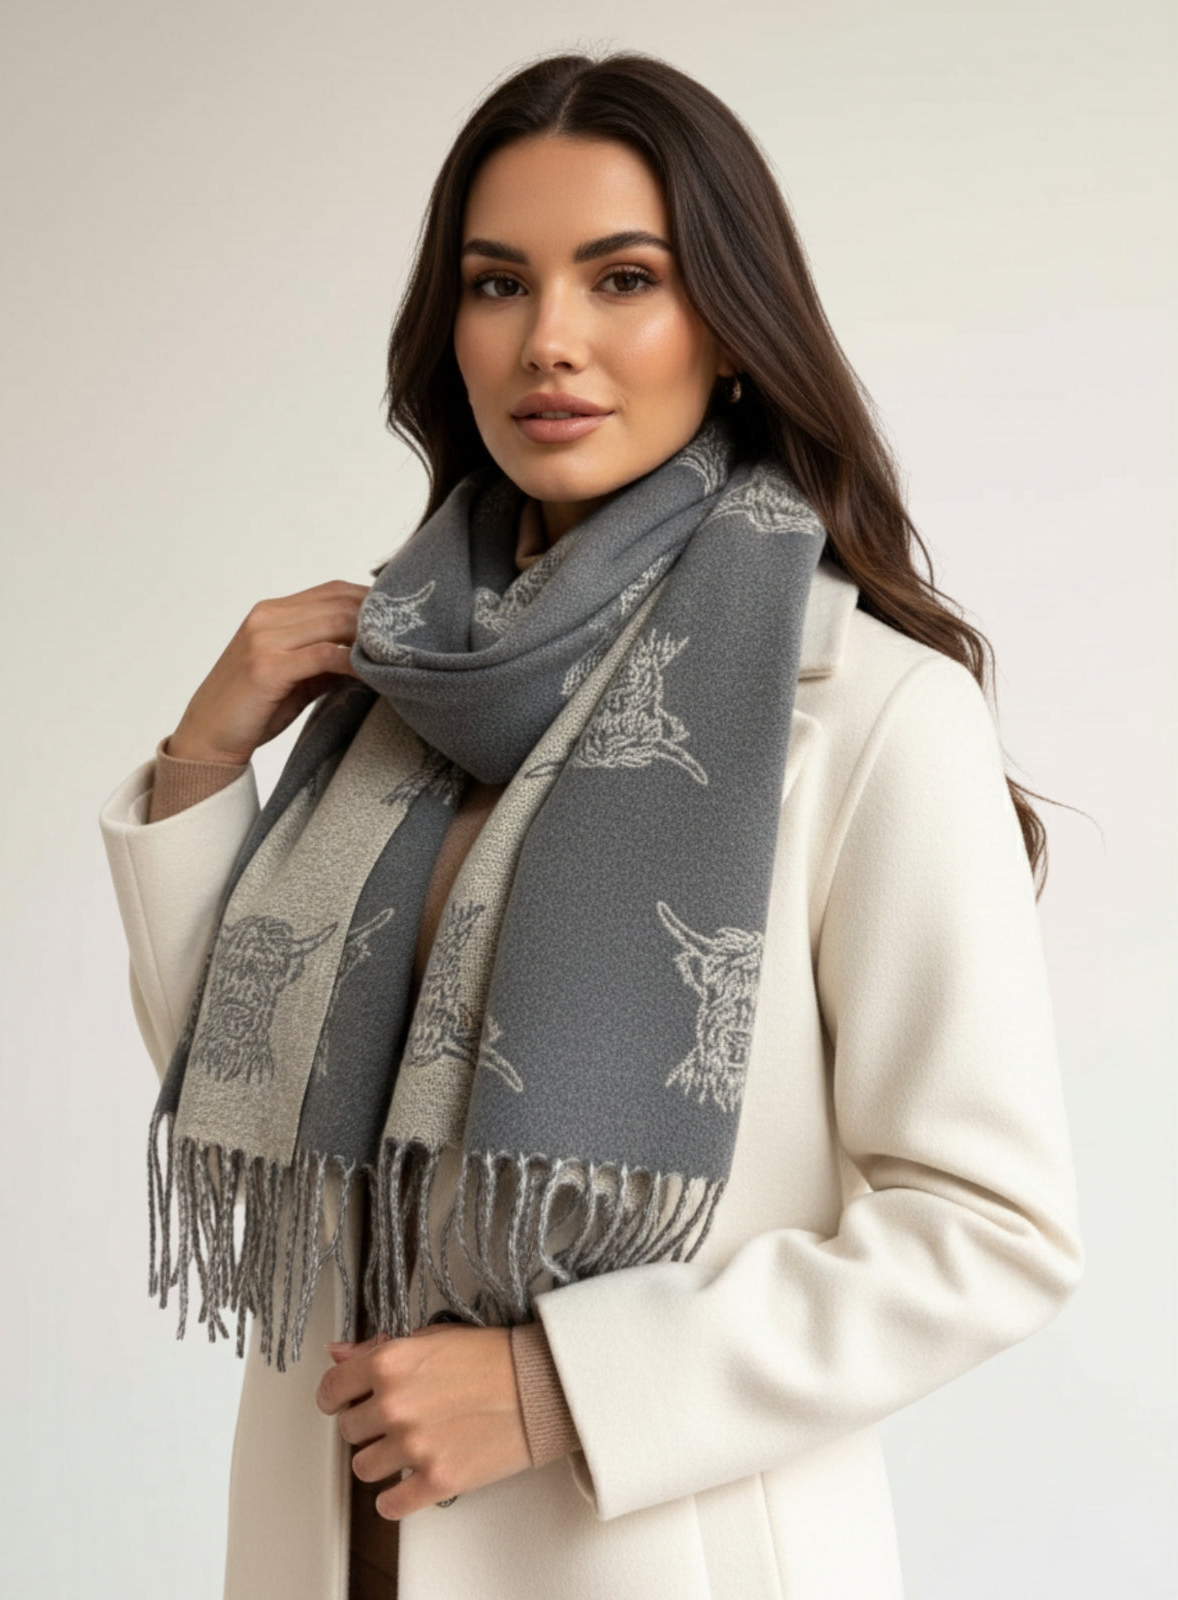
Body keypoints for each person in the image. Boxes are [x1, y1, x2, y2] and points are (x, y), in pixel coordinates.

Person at [99, 48, 1085, 1600]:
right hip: (338, 1545)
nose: (548, 339)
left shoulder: (868, 712)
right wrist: (204, 762)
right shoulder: (403, 683)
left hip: (643, 1554)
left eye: (623, 278)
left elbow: (990, 1230)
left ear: (731, 329)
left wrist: (560, 1387)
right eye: (498, 284)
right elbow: (255, 1078)